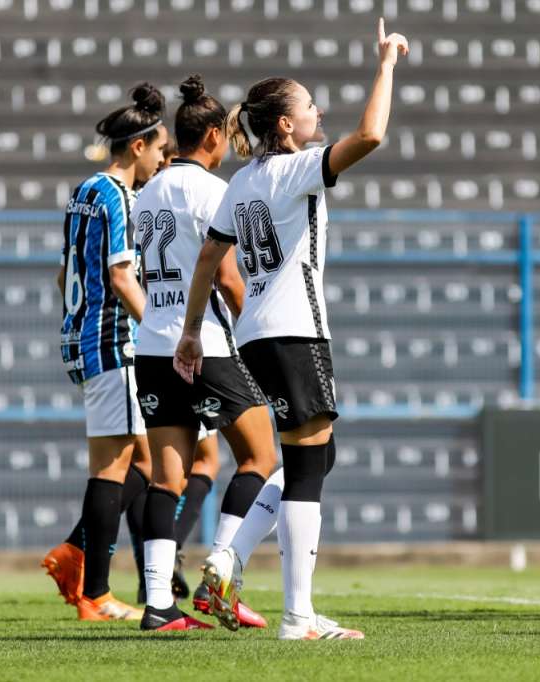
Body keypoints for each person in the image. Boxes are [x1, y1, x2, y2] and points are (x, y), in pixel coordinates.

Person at [175, 18, 409, 641]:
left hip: (254, 335)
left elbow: (209, 256)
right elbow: (372, 134)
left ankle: (228, 557)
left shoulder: (241, 182)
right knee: (306, 469)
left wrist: (193, 331)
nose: (317, 111)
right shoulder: (296, 169)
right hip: (296, 331)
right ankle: (298, 615)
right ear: (285, 124)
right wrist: (386, 64)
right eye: (309, 105)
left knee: (318, 456)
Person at [131, 75, 278, 631]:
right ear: (214, 135)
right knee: (260, 458)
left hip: (153, 345)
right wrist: (257, 333)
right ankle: (221, 577)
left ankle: (158, 605)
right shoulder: (215, 192)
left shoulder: (149, 191)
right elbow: (228, 278)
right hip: (205, 345)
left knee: (166, 479)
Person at [42, 83, 168, 621]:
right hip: (114, 342)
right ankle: (94, 588)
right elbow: (121, 275)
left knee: (137, 462)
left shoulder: (83, 192)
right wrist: (160, 332)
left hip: (81, 339)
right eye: (159, 150)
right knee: (120, 468)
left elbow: (63, 275)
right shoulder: (118, 196)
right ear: (137, 147)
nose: (161, 160)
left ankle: (78, 558)